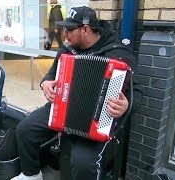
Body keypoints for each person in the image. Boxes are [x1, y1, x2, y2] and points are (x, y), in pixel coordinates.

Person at [11, 6, 143, 180]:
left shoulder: (118, 54)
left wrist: (126, 106)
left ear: (85, 30)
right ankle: (31, 175)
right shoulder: (67, 51)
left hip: (99, 118)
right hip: (62, 108)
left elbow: (138, 92)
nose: (64, 34)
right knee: (25, 129)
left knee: (83, 163)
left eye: (69, 30)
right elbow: (51, 74)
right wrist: (45, 84)